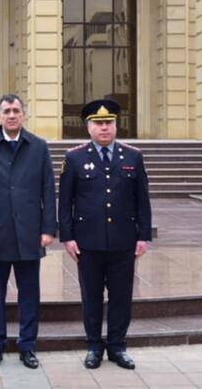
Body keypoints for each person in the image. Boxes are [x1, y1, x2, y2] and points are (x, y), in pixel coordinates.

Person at [58, 99, 152, 370]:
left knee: (122, 296)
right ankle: (93, 347)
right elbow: (65, 201)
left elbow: (142, 199)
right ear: (88, 127)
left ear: (116, 125)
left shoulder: (133, 156)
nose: (104, 128)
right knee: (91, 297)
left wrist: (143, 235)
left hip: (124, 241)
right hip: (88, 242)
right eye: (98, 123)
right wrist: (67, 236)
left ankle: (117, 347)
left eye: (109, 123)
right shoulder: (74, 158)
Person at [0, 94, 57, 369]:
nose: (11, 115)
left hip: (30, 233)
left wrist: (48, 229)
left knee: (29, 293)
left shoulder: (39, 147)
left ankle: (27, 345)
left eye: (16, 110)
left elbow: (47, 189)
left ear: (24, 115)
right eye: (6, 111)